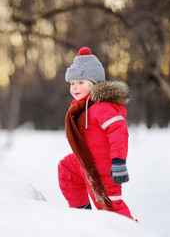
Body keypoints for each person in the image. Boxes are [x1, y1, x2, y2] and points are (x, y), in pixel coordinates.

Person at [58, 47, 134, 220]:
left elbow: (118, 132)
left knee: (110, 207)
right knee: (66, 169)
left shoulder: (102, 107)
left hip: (104, 169)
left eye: (81, 82)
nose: (75, 87)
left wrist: (119, 161)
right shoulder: (81, 108)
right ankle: (84, 218)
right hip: (85, 161)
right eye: (72, 83)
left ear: (94, 84)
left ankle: (130, 231)